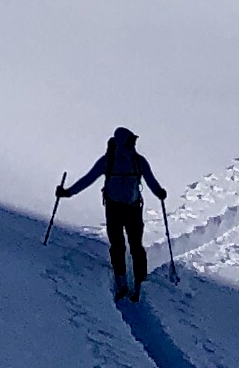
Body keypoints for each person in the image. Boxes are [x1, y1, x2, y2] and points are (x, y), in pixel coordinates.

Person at [60, 127, 168, 301]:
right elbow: (88, 179)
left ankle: (129, 282)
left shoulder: (125, 161)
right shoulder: (124, 161)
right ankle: (130, 282)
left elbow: (150, 181)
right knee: (125, 245)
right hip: (125, 208)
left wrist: (68, 192)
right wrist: (68, 192)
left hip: (120, 208)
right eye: (131, 141)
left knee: (129, 245)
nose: (133, 144)